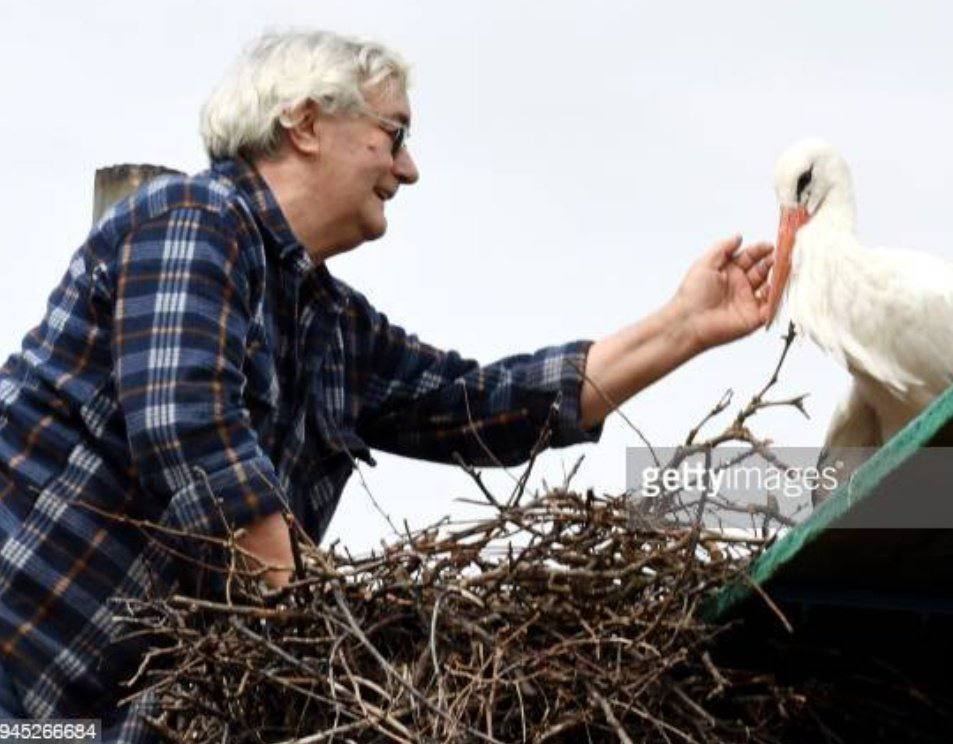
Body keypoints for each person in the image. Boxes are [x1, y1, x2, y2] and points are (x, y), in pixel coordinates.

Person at [0, 29, 773, 741]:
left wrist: (682, 327)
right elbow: (187, 432)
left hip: (73, 730)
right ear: (304, 124)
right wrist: (322, 640)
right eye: (394, 135)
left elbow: (484, 409)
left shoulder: (332, 329)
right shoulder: (193, 220)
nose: (408, 168)